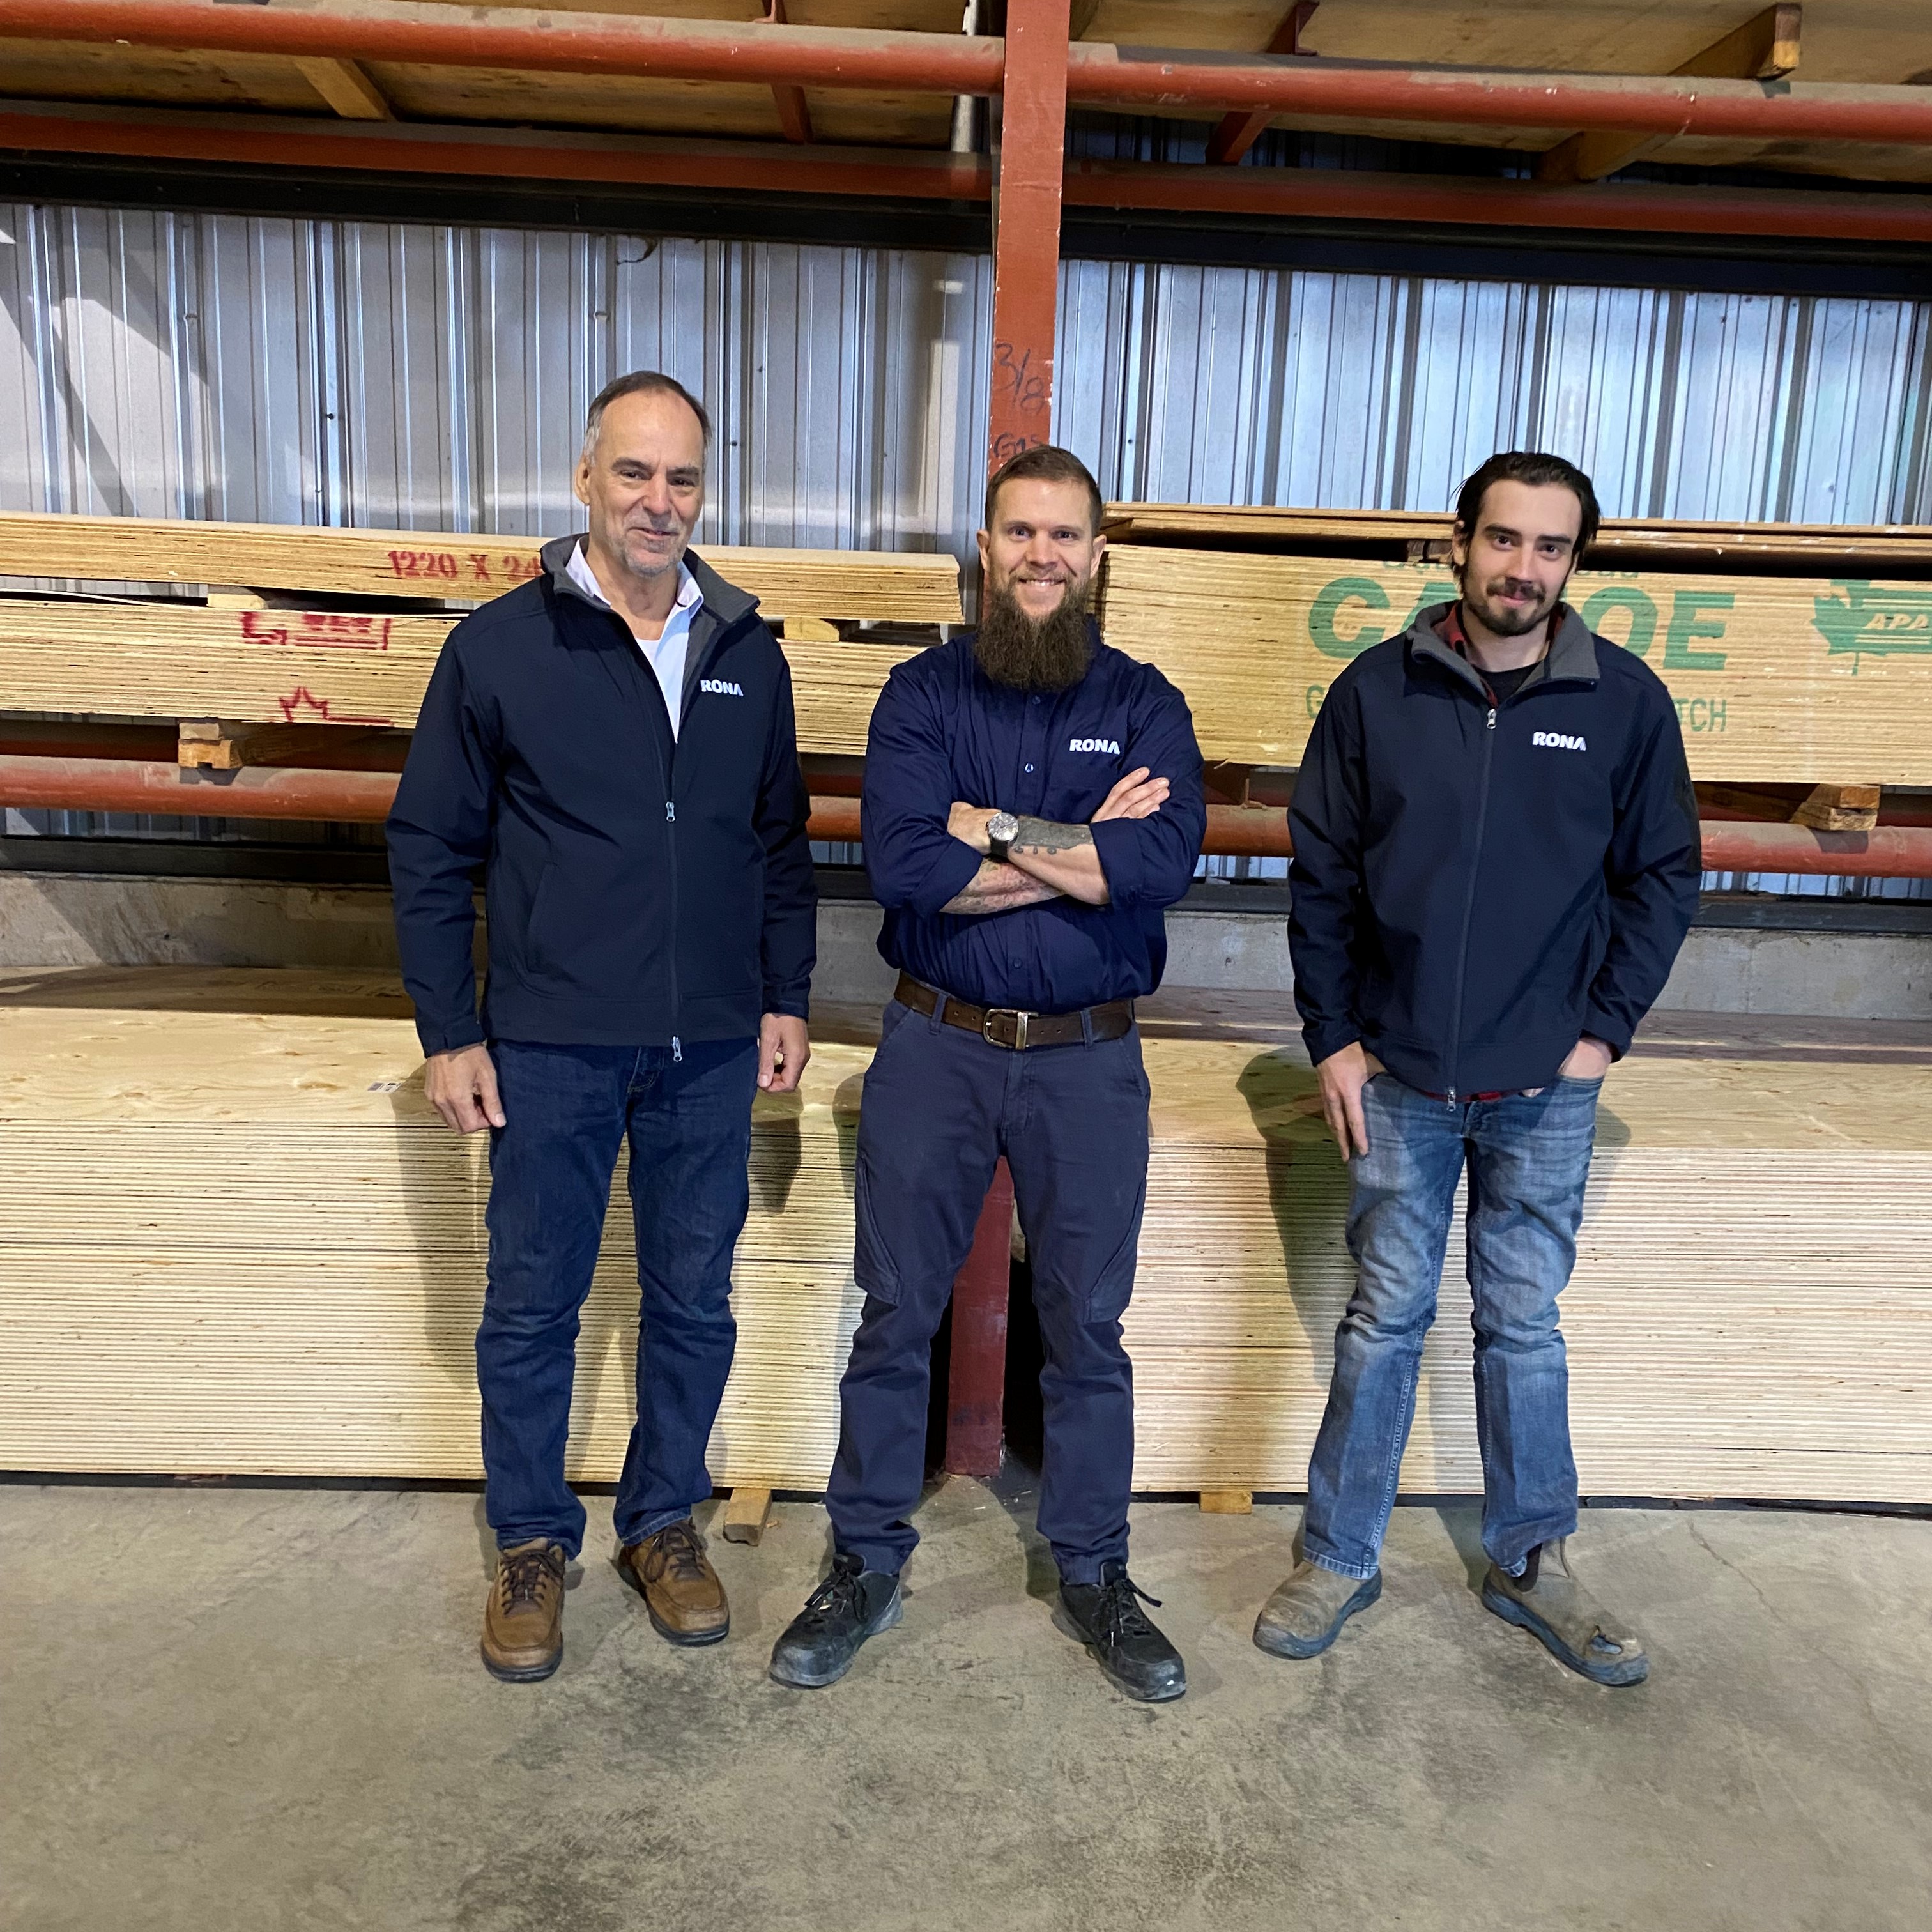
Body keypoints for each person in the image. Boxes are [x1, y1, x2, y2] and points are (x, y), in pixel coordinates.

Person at [388, 369, 815, 1683]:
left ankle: (661, 1524)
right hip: (553, 1043)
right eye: (634, 472)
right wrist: (450, 1030)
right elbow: (428, 846)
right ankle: (529, 1542)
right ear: (585, 480)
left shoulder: (745, 650)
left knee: (694, 1300)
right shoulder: (502, 648)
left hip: (708, 1048)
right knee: (532, 1305)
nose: (658, 500)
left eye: (682, 477)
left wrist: (786, 993)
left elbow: (780, 843)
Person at [767, 445, 1206, 1703]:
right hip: (937, 1047)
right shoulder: (922, 694)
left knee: (1088, 1328)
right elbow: (907, 869)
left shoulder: (1147, 703)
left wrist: (995, 832)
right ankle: (863, 1559)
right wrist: (1081, 850)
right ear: (986, 546)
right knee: (897, 1312)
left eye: (1065, 537)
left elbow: (1157, 868)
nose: (1041, 557)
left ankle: (1096, 1571)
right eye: (1020, 533)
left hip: (1088, 1062)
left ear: (1097, 556)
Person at [1256, 450, 1700, 1687]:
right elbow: (1322, 877)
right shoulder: (1377, 691)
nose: (1524, 568)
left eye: (1551, 548)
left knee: (1522, 1326)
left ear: (1575, 563)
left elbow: (1665, 877)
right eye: (1504, 540)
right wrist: (1333, 1037)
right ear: (1459, 543)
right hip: (1399, 1076)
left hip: (1544, 1087)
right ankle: (1338, 1554)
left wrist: (1602, 1034)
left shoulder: (1623, 703)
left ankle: (1531, 1561)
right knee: (1383, 1320)